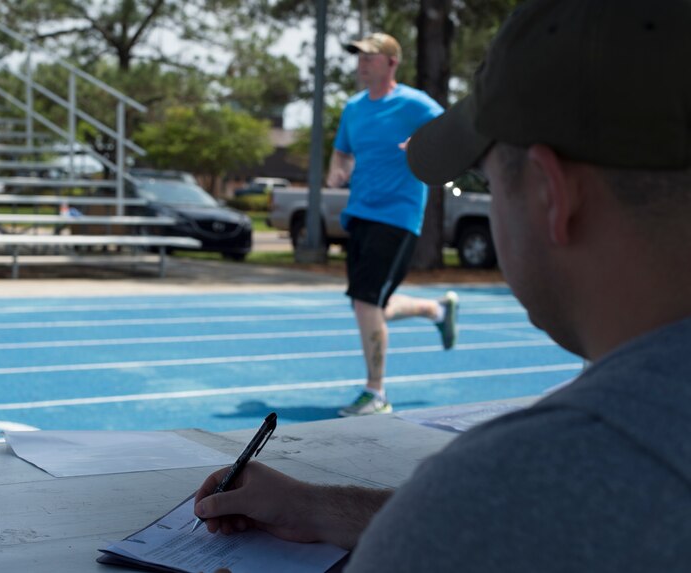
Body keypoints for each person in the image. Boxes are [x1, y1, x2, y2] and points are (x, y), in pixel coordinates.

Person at [193, 0, 691, 570]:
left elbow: (489, 518)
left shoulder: (524, 479)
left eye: (486, 174)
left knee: (367, 303)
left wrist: (434, 514)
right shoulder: (570, 492)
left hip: (389, 221)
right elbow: (516, 527)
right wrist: (320, 507)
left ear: (553, 195)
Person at [328, 32, 459, 417]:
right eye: (359, 56)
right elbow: (341, 151)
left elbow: (454, 131)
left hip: (398, 214)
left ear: (391, 62)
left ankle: (376, 393)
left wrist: (424, 147)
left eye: (370, 56)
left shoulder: (415, 104)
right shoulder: (353, 108)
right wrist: (338, 171)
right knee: (368, 305)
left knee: (366, 301)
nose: (362, 62)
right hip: (361, 213)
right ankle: (436, 311)